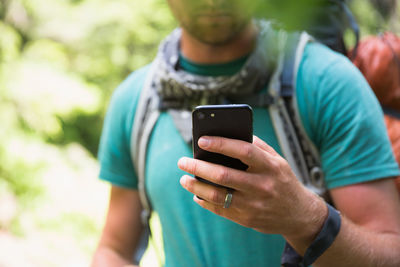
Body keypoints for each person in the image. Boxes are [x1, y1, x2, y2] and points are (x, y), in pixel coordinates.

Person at [91, 0, 400, 266]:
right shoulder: (135, 100)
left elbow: (391, 253)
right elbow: (115, 248)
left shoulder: (328, 83)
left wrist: (305, 219)